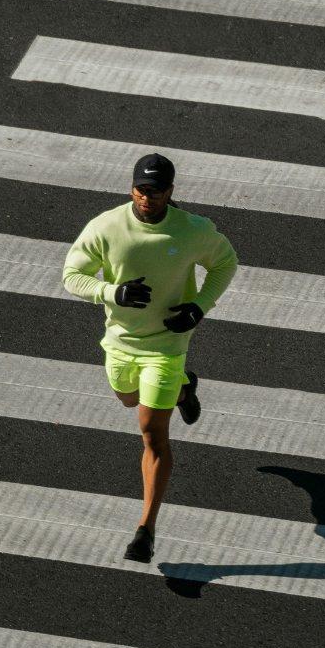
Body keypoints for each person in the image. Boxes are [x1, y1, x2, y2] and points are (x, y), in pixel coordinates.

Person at [60, 152, 239, 563]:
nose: (148, 198)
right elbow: (71, 275)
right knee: (127, 398)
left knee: (151, 432)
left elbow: (225, 262)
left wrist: (198, 307)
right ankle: (183, 390)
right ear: (132, 188)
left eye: (157, 192)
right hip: (121, 342)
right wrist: (112, 292)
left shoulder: (193, 230)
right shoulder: (106, 226)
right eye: (142, 190)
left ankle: (146, 530)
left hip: (166, 346)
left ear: (171, 192)